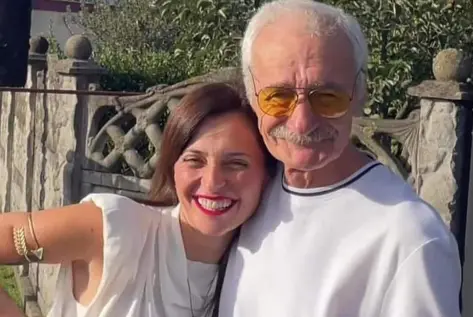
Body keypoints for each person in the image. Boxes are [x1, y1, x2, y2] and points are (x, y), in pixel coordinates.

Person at [219, 1, 462, 317]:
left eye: (327, 97)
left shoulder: (408, 237)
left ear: (359, 94)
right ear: (252, 96)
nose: (302, 122)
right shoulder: (246, 195)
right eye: (278, 97)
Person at [0, 83, 276, 317]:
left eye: (236, 163)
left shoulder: (261, 272)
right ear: (172, 168)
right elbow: (10, 236)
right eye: (195, 160)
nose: (213, 182)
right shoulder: (116, 228)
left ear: (266, 176)